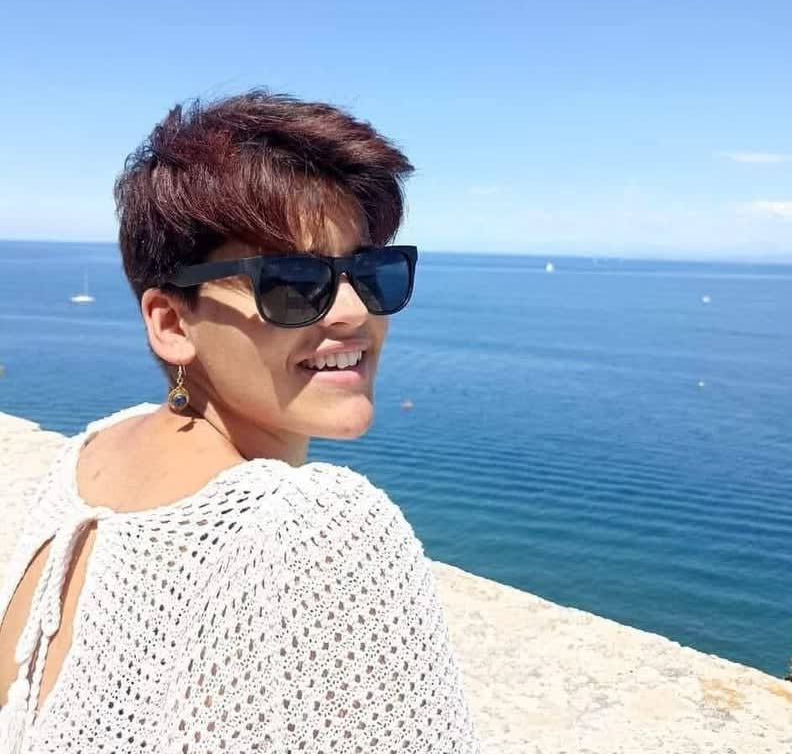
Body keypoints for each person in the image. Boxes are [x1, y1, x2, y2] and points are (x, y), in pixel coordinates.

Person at [0, 91, 481, 752]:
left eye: (372, 272)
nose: (353, 312)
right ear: (172, 323)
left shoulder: (91, 455)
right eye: (292, 282)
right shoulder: (317, 529)